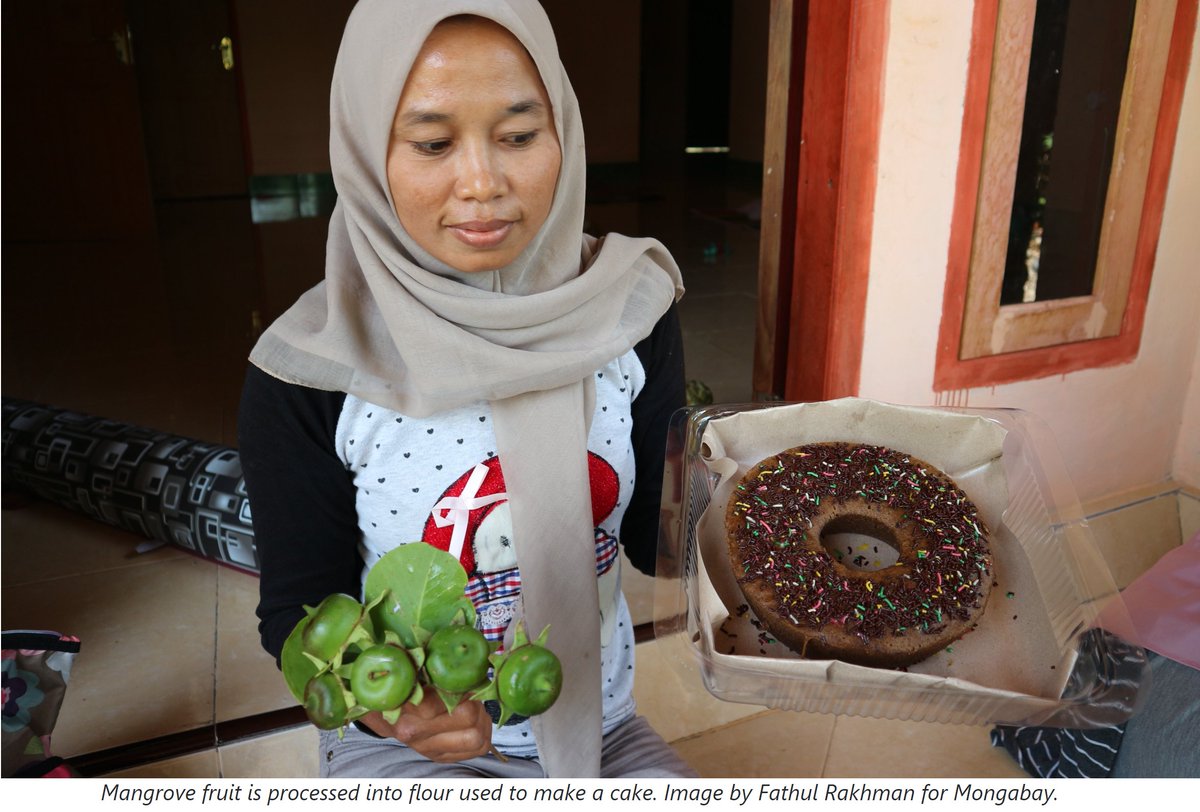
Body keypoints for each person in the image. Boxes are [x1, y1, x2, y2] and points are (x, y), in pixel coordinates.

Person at [237, 0, 694, 780]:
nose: (482, 182)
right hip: (399, 747)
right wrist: (390, 709)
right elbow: (296, 613)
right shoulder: (309, 370)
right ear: (363, 150)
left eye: (518, 136)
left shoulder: (628, 309)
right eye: (431, 143)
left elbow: (663, 543)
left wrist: (745, 497)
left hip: (604, 729)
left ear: (564, 133)